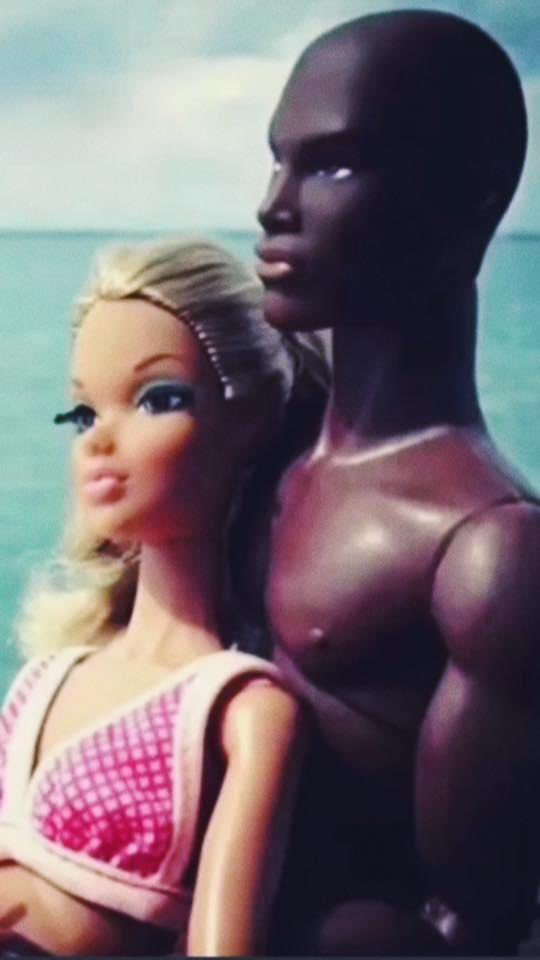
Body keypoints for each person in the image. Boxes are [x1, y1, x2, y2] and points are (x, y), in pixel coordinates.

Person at [255, 9, 540, 956]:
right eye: (280, 160)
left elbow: (468, 931)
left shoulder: (489, 550)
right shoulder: (272, 455)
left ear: (469, 200)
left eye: (334, 166)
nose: (274, 205)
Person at [0, 238, 327, 956]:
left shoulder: (238, 706)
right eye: (83, 414)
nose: (98, 441)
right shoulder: (49, 675)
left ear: (252, 424)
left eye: (158, 399)